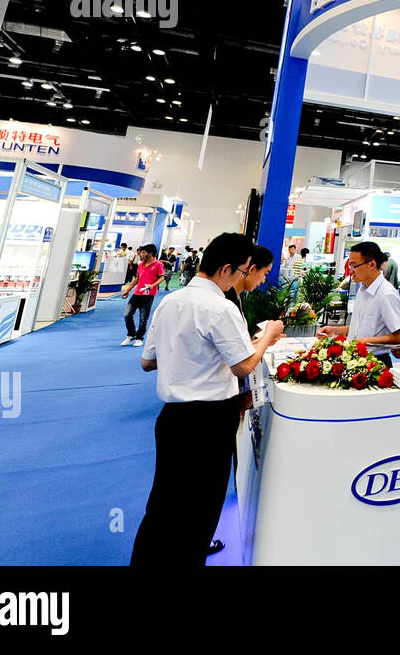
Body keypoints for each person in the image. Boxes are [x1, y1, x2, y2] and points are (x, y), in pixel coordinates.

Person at [131, 233, 284, 566]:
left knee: (163, 504)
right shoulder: (220, 307)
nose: (245, 278)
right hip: (210, 421)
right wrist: (268, 338)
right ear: (227, 269)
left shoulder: (171, 301)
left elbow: (147, 361)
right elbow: (244, 364)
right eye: (244, 271)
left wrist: (183, 353)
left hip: (172, 418)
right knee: (200, 508)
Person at [316, 241, 400, 367]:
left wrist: (365, 341)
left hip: (375, 363)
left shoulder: (386, 294)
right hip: (356, 358)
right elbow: (361, 327)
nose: (351, 271)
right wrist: (335, 330)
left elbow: (399, 337)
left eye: (354, 266)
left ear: (372, 264)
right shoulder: (363, 289)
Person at [121, 245, 166, 347]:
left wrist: (152, 286)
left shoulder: (158, 264)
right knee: (127, 315)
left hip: (148, 295)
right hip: (136, 293)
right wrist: (128, 290)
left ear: (151, 253)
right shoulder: (141, 264)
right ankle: (131, 334)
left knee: (143, 318)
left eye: (144, 252)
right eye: (141, 252)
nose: (141, 255)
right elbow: (137, 278)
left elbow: (162, 278)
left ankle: (139, 338)